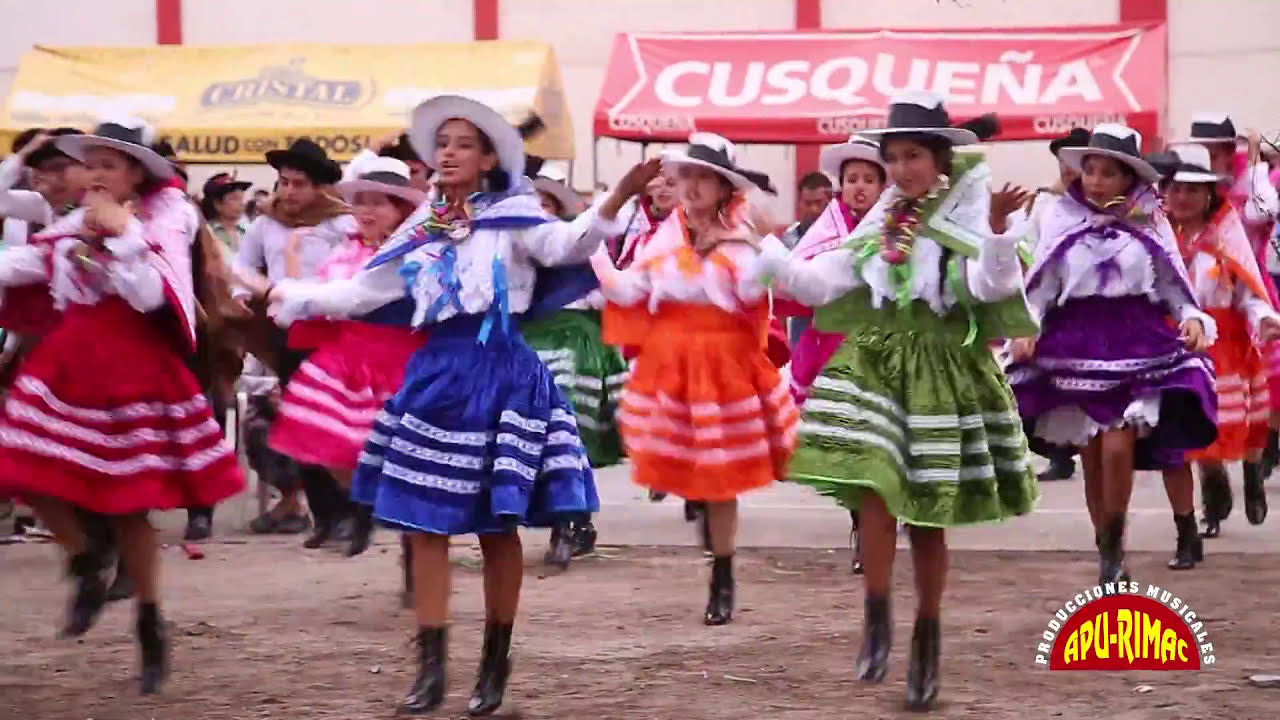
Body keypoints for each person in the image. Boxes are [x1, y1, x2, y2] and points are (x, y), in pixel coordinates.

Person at [264, 94, 643, 716]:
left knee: (497, 528)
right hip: (437, 375)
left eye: (463, 143)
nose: (447, 152)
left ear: (490, 157)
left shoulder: (517, 217)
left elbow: (571, 245)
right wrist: (297, 295)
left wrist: (618, 195)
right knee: (423, 525)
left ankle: (495, 660)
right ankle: (431, 665)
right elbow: (367, 289)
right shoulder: (426, 227)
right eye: (442, 142)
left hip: (501, 375)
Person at [756, 93, 1036, 711]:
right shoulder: (884, 221)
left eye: (914, 156)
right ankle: (877, 614)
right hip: (879, 365)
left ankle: (926, 636)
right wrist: (769, 252)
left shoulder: (969, 218)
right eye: (895, 159)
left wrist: (993, 230)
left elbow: (991, 287)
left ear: (940, 159)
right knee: (874, 492)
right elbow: (825, 279)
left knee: (928, 514)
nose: (904, 169)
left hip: (942, 372)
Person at [0, 118, 245, 694]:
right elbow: (19, 266)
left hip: (134, 368)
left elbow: (151, 294)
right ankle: (87, 560)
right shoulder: (67, 226)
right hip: (68, 365)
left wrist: (123, 235)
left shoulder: (164, 221)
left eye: (108, 165)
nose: (94, 175)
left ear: (136, 173)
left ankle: (149, 622)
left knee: (132, 505)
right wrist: (68, 217)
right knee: (22, 469)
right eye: (90, 165)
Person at [591, 132, 798, 627]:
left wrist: (745, 247)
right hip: (672, 366)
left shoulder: (743, 240)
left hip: (725, 366)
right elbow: (629, 287)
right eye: (687, 176)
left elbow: (758, 292)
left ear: (726, 188)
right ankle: (710, 535)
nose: (692, 187)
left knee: (722, 478)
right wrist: (592, 256)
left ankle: (722, 573)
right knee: (690, 470)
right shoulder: (662, 240)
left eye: (705, 178)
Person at [1007, 124, 1218, 585]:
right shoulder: (1060, 217)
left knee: (1119, 443)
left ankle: (1116, 539)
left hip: (1135, 339)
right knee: (1092, 455)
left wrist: (1193, 318)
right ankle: (1107, 547)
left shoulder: (1151, 220)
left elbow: (1174, 287)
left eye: (1108, 172)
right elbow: (1040, 288)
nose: (1097, 180)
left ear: (1129, 178)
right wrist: (1025, 330)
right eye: (1091, 170)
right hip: (1075, 343)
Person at [260, 155, 427, 557]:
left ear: (401, 211)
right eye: (362, 201)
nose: (366, 211)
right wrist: (291, 297)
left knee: (404, 460)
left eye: (379, 202)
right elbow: (324, 294)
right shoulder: (346, 251)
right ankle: (366, 506)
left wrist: (288, 292)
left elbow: (349, 297)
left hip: (401, 361)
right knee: (331, 442)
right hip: (348, 359)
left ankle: (411, 546)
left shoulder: (414, 254)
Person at [232, 138, 359, 547]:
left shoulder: (342, 224)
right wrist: (245, 296)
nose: (287, 192)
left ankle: (349, 513)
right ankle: (323, 516)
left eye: (298, 184)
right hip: (285, 331)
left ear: (320, 187)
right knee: (299, 423)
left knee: (334, 424)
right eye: (283, 182)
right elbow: (242, 266)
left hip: (334, 333)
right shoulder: (265, 223)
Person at [1159, 143, 1280, 553]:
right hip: (1177, 342)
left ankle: (1250, 475)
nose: (1183, 197)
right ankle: (1212, 498)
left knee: (1237, 425)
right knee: (1196, 431)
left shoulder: (1228, 236)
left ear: (1209, 194)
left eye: (1194, 190)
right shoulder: (1157, 236)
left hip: (1225, 344)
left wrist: (1263, 317)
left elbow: (1249, 292)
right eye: (1176, 189)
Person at [776, 136, 888, 575]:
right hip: (834, 344)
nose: (859, 186)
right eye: (851, 179)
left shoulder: (895, 223)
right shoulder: (828, 226)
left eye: (868, 179)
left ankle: (881, 519)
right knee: (849, 443)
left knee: (879, 438)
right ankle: (863, 525)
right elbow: (799, 273)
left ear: (883, 185)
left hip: (883, 343)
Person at [524, 163, 627, 566]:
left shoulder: (582, 247)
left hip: (574, 344)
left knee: (566, 432)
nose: (540, 210)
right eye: (534, 203)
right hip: (529, 342)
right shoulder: (518, 245)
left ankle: (571, 522)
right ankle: (562, 520)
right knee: (532, 435)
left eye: (547, 203)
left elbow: (609, 290)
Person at [1011, 127, 1092, 483]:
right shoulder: (1044, 202)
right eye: (1063, 161)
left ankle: (1078, 449)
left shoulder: (1108, 207)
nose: (1067, 169)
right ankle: (1056, 451)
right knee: (1038, 380)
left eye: (1074, 161)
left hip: (1083, 305)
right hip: (1045, 300)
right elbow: (1025, 246)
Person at [201, 173, 252, 253]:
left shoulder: (249, 230)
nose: (241, 203)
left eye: (241, 198)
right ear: (217, 204)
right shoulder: (207, 232)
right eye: (234, 199)